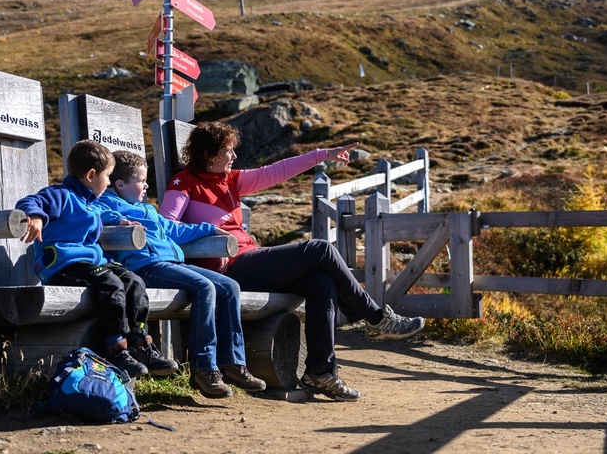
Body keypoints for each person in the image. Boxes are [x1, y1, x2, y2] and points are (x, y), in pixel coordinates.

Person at [159, 121, 425, 402]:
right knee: (321, 250)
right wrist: (207, 230)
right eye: (229, 151)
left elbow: (277, 171)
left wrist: (321, 154)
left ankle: (320, 372)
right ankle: (375, 317)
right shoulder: (184, 182)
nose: (234, 156)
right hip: (229, 270)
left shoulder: (230, 179)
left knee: (321, 282)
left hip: (249, 260)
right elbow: (166, 227)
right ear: (210, 155)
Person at [96, 150, 266, 398]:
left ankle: (233, 362)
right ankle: (204, 368)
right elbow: (98, 214)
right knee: (204, 287)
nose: (146, 185)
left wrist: (211, 229)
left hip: (172, 263)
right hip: (148, 268)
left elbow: (174, 229)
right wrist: (120, 222)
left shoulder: (148, 210)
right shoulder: (107, 204)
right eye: (141, 181)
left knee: (229, 287)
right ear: (120, 184)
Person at [15, 139, 178, 379]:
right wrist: (36, 218)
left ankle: (139, 344)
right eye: (108, 176)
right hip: (63, 266)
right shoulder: (61, 195)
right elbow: (31, 202)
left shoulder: (90, 203)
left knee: (133, 281)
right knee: (111, 284)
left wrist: (118, 221)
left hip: (92, 265)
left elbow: (104, 213)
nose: (110, 182)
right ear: (91, 175)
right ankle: (115, 348)